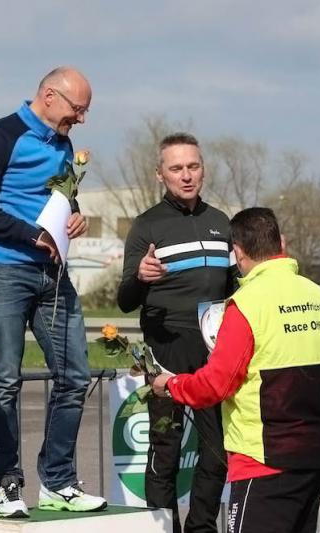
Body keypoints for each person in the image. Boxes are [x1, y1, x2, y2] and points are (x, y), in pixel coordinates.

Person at [0, 66, 106, 517]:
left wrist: (74, 216)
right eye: (77, 109)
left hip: (53, 275)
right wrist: (31, 235)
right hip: (4, 269)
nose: (81, 119)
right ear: (48, 96)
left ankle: (58, 482)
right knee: (5, 379)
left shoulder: (63, 145)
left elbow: (59, 200)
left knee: (75, 376)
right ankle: (6, 484)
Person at [152, 207, 320, 533]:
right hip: (318, 453)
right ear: (281, 243)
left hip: (265, 460)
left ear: (237, 252)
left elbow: (216, 385)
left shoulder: (246, 303)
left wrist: (170, 385)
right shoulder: (318, 296)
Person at [117, 133, 234, 533]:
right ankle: (164, 528)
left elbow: (234, 291)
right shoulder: (147, 225)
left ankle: (201, 528)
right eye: (176, 168)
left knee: (217, 450)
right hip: (165, 348)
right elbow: (125, 301)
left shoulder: (221, 223)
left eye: (193, 166)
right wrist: (140, 276)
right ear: (160, 175)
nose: (186, 175)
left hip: (213, 350)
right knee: (166, 449)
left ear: (203, 170)